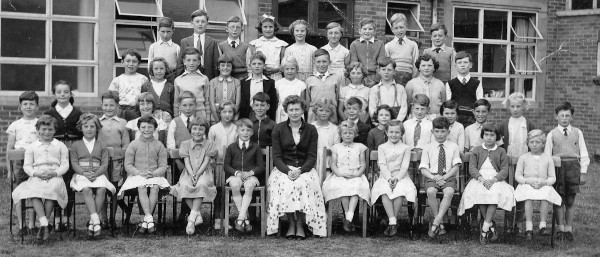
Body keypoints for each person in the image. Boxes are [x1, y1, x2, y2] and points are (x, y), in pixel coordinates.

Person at [267, 95, 326, 239]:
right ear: (286, 110)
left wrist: (300, 170)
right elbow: (277, 157)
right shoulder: (278, 128)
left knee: (303, 184)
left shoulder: (311, 129)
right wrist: (288, 171)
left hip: (304, 168)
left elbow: (312, 156)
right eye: (291, 109)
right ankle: (291, 223)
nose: (294, 112)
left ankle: (300, 224)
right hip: (283, 168)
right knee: (284, 184)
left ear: (302, 111)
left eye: (297, 109)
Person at [11, 115, 69, 241]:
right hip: (37, 175)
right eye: (43, 129)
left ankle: (43, 224)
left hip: (54, 176)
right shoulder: (32, 147)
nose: (46, 132)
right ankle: (44, 224)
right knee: (33, 191)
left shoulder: (60, 146)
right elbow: (27, 166)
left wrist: (55, 173)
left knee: (51, 191)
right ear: (37, 130)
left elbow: (65, 165)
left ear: (54, 131)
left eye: (50, 129)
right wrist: (35, 173)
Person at [458, 123, 515, 245]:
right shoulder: (477, 150)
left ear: (497, 137)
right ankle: (490, 225)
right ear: (482, 136)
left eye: (492, 135)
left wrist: (494, 179)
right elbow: (472, 168)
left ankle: (484, 229)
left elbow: (504, 170)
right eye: (486, 135)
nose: (489, 137)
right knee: (479, 194)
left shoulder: (501, 151)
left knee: (494, 194)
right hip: (480, 178)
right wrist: (481, 179)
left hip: (496, 179)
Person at [544, 102, 589, 242]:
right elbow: (547, 155)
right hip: (558, 169)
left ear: (571, 117)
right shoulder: (551, 134)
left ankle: (569, 229)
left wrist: (583, 172)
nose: (564, 118)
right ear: (556, 117)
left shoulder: (577, 133)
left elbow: (584, 153)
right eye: (561, 115)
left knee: (570, 200)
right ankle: (560, 229)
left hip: (573, 168)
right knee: (559, 200)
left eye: (567, 116)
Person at [118, 116, 170, 234]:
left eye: (150, 127)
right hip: (137, 176)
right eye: (143, 127)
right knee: (141, 187)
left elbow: (163, 165)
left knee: (155, 187)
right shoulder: (133, 144)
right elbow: (128, 165)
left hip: (155, 175)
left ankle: (146, 221)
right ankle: (149, 219)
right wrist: (139, 173)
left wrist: (154, 173)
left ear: (155, 129)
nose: (146, 130)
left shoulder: (159, 145)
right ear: (138, 128)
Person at [69, 114, 116, 237]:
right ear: (81, 128)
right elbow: (74, 163)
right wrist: (84, 173)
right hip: (81, 174)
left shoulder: (101, 145)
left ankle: (92, 222)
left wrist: (97, 173)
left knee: (101, 189)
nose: (89, 129)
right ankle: (96, 220)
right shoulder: (76, 145)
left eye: (92, 126)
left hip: (98, 174)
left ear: (97, 128)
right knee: (86, 189)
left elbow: (105, 163)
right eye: (86, 126)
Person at [44, 80, 82, 231]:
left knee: (69, 184)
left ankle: (66, 219)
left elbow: (82, 133)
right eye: (59, 92)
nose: (62, 95)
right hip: (55, 149)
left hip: (72, 149)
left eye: (66, 92)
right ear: (54, 94)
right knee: (56, 183)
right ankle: (57, 218)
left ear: (71, 94)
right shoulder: (49, 113)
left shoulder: (77, 112)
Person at [170, 117, 217, 235]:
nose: (198, 132)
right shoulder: (185, 144)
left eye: (201, 129)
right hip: (188, 172)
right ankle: (197, 214)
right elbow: (186, 162)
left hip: (204, 172)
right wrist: (192, 174)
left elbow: (206, 162)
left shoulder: (209, 144)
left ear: (205, 131)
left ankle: (191, 220)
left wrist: (198, 174)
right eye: (195, 129)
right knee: (184, 185)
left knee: (201, 184)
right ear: (190, 130)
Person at [370, 120, 416, 237]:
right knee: (385, 191)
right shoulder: (382, 147)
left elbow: (405, 166)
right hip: (385, 176)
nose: (394, 135)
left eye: (397, 132)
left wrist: (397, 178)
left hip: (402, 177)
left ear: (402, 133)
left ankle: (392, 222)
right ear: (386, 132)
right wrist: (389, 178)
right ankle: (393, 220)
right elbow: (382, 165)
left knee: (399, 191)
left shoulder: (406, 148)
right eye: (391, 132)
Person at [498, 92, 536, 234]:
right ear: (508, 107)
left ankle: (519, 222)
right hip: (509, 162)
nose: (515, 109)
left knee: (522, 191)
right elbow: (500, 146)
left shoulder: (529, 124)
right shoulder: (504, 124)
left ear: (523, 107)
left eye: (518, 106)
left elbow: (535, 143)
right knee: (510, 190)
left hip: (524, 162)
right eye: (512, 106)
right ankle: (508, 223)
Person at [322, 121, 370, 232]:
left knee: (356, 189)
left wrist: (357, 174)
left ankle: (348, 217)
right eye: (345, 133)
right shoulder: (336, 147)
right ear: (340, 134)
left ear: (355, 134)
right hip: (340, 175)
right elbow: (333, 165)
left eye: (350, 133)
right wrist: (340, 174)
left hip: (355, 175)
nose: (348, 135)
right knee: (344, 188)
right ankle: (349, 218)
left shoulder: (360, 147)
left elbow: (363, 164)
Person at [514, 130, 562, 240]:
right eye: (531, 142)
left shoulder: (547, 158)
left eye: (537, 142)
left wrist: (544, 182)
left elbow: (552, 177)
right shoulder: (523, 157)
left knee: (545, 197)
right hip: (526, 184)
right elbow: (518, 175)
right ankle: (529, 228)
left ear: (543, 144)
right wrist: (527, 181)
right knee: (528, 198)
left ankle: (542, 226)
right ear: (528, 143)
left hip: (543, 185)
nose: (534, 145)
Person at [419, 117, 462, 238]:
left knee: (448, 192)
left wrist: (445, 177)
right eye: (437, 131)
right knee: (431, 191)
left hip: (448, 177)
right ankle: (441, 222)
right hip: (432, 177)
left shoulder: (453, 146)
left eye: (443, 131)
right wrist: (435, 177)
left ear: (448, 132)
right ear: (432, 132)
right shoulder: (428, 147)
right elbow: (423, 168)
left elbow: (456, 166)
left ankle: (436, 221)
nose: (440, 134)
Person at [224, 118, 265, 233]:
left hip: (250, 176)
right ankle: (245, 219)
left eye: (248, 130)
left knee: (249, 186)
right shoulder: (231, 147)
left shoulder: (255, 147)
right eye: (242, 130)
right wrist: (237, 173)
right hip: (235, 176)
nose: (245, 133)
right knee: (235, 185)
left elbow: (260, 166)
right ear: (237, 131)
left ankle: (240, 218)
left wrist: (250, 173)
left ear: (252, 132)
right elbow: (226, 166)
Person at [6, 91, 39, 234]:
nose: (28, 107)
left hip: (35, 161)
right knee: (19, 193)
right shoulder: (15, 125)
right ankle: (21, 225)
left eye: (32, 104)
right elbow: (9, 149)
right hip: (19, 162)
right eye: (25, 104)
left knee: (33, 192)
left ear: (37, 106)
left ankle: (32, 225)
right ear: (20, 107)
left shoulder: (40, 123)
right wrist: (9, 170)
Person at [97, 91, 130, 227]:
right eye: (105, 105)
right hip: (102, 162)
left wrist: (121, 158)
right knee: (103, 188)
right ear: (101, 105)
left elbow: (126, 145)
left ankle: (113, 219)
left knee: (115, 190)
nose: (108, 108)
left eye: (111, 105)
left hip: (117, 162)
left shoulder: (122, 123)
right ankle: (104, 219)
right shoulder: (97, 122)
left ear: (117, 106)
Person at [208, 100, 238, 230]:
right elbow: (209, 147)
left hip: (231, 166)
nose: (227, 114)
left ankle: (226, 219)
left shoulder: (236, 128)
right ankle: (217, 219)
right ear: (219, 113)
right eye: (224, 112)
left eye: (230, 112)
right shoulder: (214, 129)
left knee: (228, 192)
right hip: (218, 165)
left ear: (234, 113)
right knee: (218, 192)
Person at [176, 9, 219, 80]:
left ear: (207, 23)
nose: (200, 24)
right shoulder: (185, 42)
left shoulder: (212, 42)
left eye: (203, 21)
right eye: (197, 21)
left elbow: (216, 65)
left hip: (208, 78)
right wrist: (179, 80)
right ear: (192, 23)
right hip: (189, 78)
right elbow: (180, 64)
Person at [108, 49, 148, 121]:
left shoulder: (143, 79)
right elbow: (112, 99)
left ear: (139, 64)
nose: (131, 64)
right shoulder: (117, 80)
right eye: (128, 61)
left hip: (136, 111)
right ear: (122, 62)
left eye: (134, 61)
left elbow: (146, 97)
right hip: (121, 111)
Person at [306, 49, 344, 123]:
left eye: (324, 61)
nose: (321, 64)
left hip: (331, 114)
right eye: (318, 62)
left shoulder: (336, 78)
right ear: (314, 63)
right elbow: (308, 102)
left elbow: (338, 97)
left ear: (329, 62)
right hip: (314, 115)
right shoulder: (309, 79)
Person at [445, 51, 483, 126]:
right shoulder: (450, 84)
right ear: (455, 66)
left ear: (471, 65)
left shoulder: (477, 83)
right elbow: (449, 105)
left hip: (472, 119)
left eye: (465, 62)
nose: (462, 65)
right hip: (455, 120)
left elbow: (479, 104)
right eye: (459, 63)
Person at [239, 51, 278, 120]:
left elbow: (273, 103)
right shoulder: (243, 82)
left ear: (264, 66)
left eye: (259, 64)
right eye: (254, 64)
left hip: (265, 115)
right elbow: (242, 103)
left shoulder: (270, 82)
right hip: (248, 115)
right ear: (250, 65)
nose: (257, 66)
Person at [248, 14, 288, 81]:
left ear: (274, 28)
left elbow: (285, 63)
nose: (268, 29)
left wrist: (277, 69)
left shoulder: (281, 44)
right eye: (265, 27)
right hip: (259, 76)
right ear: (261, 28)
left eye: (271, 27)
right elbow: (250, 63)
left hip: (276, 76)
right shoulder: (254, 44)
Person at [174, 47, 210, 121]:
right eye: (188, 60)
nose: (191, 63)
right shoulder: (178, 80)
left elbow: (207, 101)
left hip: (200, 113)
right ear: (184, 61)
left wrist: (208, 119)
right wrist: (176, 118)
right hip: (184, 114)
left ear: (199, 62)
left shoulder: (204, 79)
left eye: (194, 60)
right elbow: (176, 103)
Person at [405, 54, 446, 118]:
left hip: (436, 120)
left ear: (434, 67)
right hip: (417, 120)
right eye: (423, 65)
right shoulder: (411, 84)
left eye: (429, 65)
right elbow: (407, 106)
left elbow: (444, 105)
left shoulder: (440, 84)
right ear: (419, 67)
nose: (426, 68)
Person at [349, 18, 387, 87]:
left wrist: (376, 80)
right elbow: (354, 63)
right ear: (359, 31)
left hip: (375, 77)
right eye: (364, 29)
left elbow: (381, 64)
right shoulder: (354, 44)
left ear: (374, 31)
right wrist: (359, 79)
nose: (367, 31)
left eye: (370, 29)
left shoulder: (380, 44)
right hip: (360, 77)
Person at [368, 57, 408, 121]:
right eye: (383, 69)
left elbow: (404, 108)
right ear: (379, 71)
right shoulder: (374, 89)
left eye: (389, 70)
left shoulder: (400, 88)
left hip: (396, 122)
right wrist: (377, 122)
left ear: (394, 71)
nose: (386, 72)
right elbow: (372, 108)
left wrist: (397, 122)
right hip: (380, 122)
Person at [311, 98, 340, 183]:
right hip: (314, 158)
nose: (324, 113)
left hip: (328, 159)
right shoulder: (311, 127)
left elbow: (336, 147)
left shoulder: (335, 129)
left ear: (331, 113)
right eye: (321, 110)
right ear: (316, 111)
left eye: (327, 111)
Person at [385, 13, 419, 85]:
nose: (399, 30)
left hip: (408, 76)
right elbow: (387, 64)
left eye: (401, 27)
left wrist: (413, 80)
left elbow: (415, 64)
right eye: (396, 28)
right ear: (392, 29)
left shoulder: (413, 45)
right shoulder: (388, 46)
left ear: (406, 27)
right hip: (393, 76)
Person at [209, 54, 241, 123]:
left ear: (232, 67)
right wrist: (218, 121)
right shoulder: (213, 82)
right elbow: (212, 103)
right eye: (222, 65)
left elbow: (237, 104)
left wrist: (231, 119)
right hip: (216, 118)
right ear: (218, 67)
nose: (225, 68)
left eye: (228, 65)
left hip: (233, 118)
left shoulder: (237, 82)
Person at [142, 57, 175, 125]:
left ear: (166, 69)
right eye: (156, 69)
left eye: (161, 68)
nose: (159, 71)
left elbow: (173, 104)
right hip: (150, 119)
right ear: (152, 70)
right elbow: (142, 104)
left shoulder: (170, 86)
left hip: (167, 120)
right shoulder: (146, 86)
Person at [148, 17, 180, 81]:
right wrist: (152, 78)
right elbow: (150, 64)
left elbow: (179, 66)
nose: (165, 35)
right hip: (156, 78)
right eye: (163, 32)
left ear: (173, 31)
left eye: (168, 32)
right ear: (158, 30)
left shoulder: (176, 47)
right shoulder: (153, 46)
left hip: (171, 78)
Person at [275, 56, 306, 123]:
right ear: (283, 70)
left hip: (297, 113)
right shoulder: (278, 84)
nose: (290, 71)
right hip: (282, 115)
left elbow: (302, 103)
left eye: (292, 69)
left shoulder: (301, 84)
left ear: (296, 69)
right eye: (287, 69)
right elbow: (277, 101)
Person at [218, 16, 249, 80]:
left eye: (237, 27)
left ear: (242, 30)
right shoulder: (221, 46)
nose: (235, 29)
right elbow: (219, 65)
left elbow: (249, 66)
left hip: (243, 78)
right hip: (227, 77)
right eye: (232, 27)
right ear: (227, 29)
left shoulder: (245, 47)